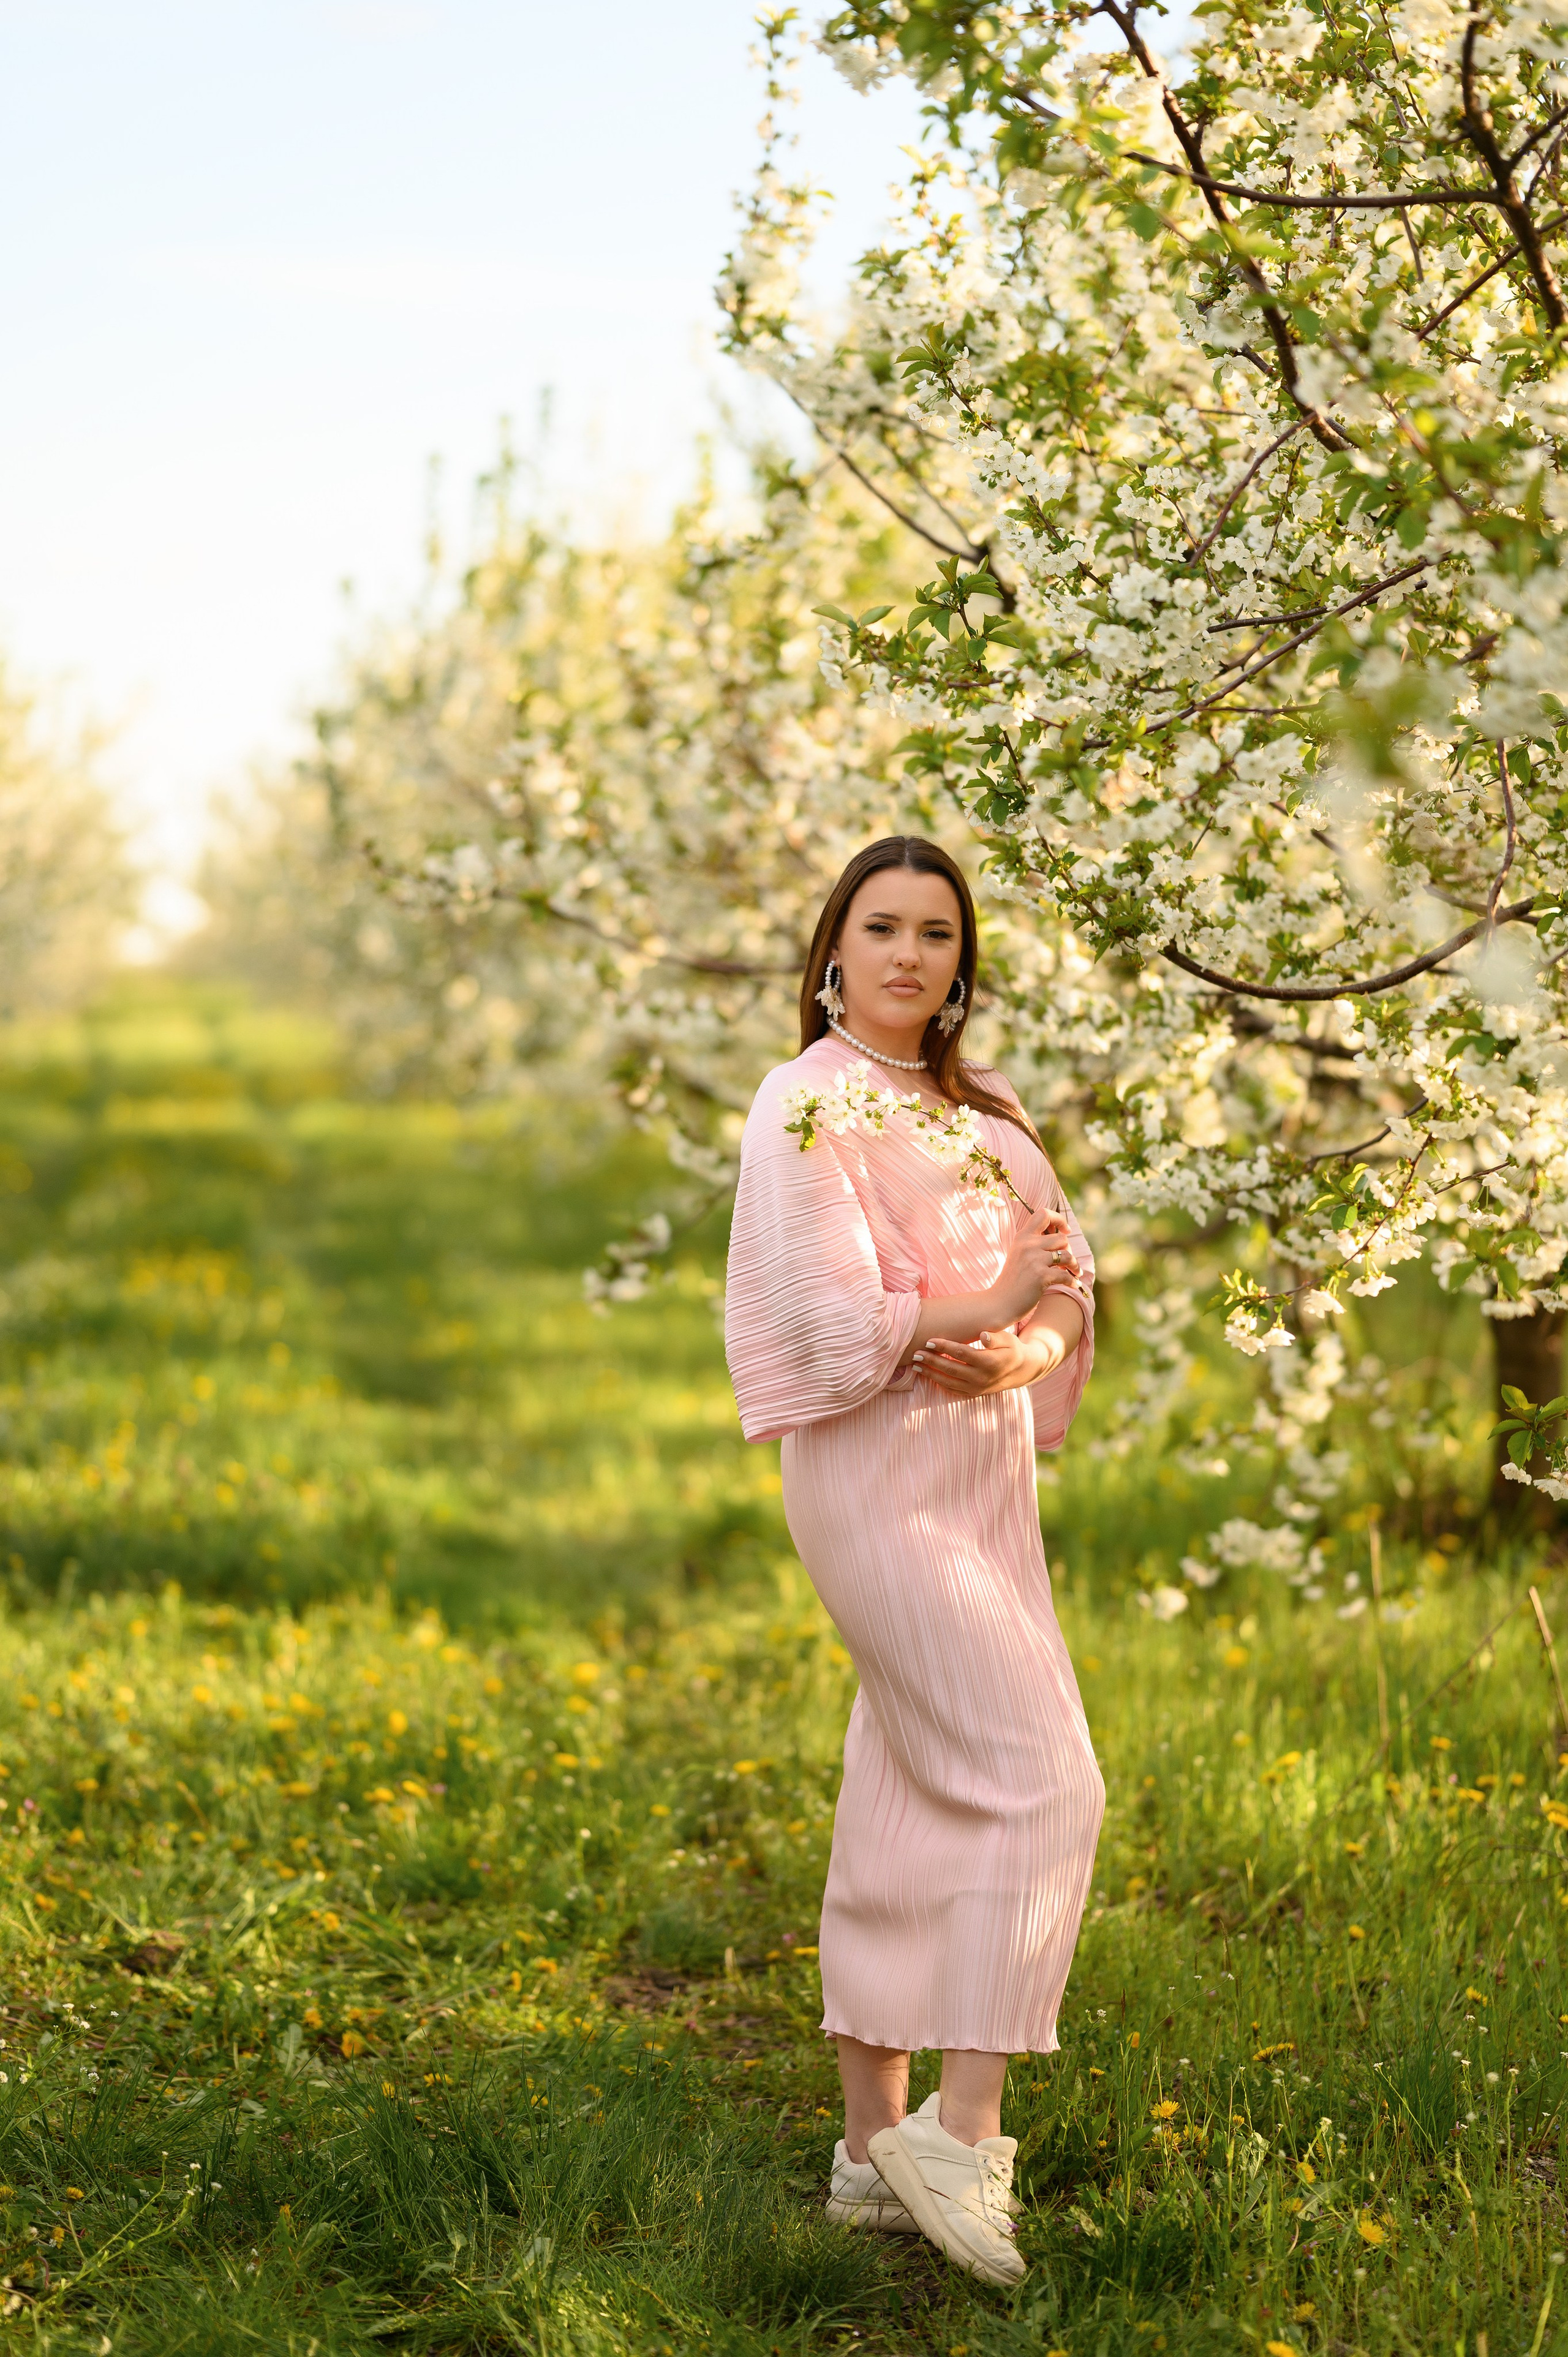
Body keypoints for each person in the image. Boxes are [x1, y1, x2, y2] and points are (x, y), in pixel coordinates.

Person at [723, 835, 1104, 2289]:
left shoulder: (985, 1110)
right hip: (873, 1475)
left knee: (903, 1782)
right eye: (879, 926)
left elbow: (1066, 1273)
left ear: (960, 959)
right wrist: (993, 1287)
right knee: (1043, 1776)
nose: (906, 953)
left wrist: (1034, 1334)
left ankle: (867, 2153)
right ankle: (964, 2129)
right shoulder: (803, 1103)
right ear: (832, 947)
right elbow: (825, 1316)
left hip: (982, 1479)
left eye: (934, 931)